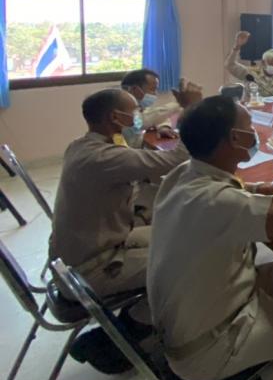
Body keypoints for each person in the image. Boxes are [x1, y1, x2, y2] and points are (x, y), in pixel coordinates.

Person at [148, 96, 273, 380]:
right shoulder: (214, 202)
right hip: (208, 346)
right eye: (250, 128)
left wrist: (261, 188)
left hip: (204, 306)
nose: (256, 134)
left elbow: (226, 189)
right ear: (234, 138)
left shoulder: (182, 173)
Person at [50, 89, 190, 301]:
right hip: (91, 270)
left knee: (176, 233)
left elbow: (131, 156)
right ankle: (141, 316)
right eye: (134, 112)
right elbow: (178, 160)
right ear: (115, 117)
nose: (138, 117)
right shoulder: (104, 157)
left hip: (85, 253)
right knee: (191, 258)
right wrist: (190, 110)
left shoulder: (80, 146)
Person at [121, 68, 202, 136]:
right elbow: (144, 121)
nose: (155, 93)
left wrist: (163, 127)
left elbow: (155, 116)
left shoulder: (139, 107)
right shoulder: (123, 110)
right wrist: (180, 103)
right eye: (152, 89)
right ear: (135, 90)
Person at [226, 31, 273, 98]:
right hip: (252, 107)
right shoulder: (250, 73)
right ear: (263, 63)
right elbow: (230, 65)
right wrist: (237, 47)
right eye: (271, 63)